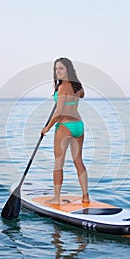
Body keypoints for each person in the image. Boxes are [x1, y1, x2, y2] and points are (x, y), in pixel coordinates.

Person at [41, 57, 90, 204]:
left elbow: (59, 112)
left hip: (65, 126)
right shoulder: (77, 86)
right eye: (56, 69)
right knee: (78, 161)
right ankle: (85, 196)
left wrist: (47, 128)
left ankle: (56, 198)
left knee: (58, 163)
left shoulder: (62, 87)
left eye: (61, 68)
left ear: (68, 69)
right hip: (78, 126)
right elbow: (82, 95)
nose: (58, 71)